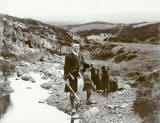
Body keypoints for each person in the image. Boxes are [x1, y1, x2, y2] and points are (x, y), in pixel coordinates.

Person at [64, 42, 96, 114]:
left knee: (90, 85)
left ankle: (88, 100)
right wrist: (66, 79)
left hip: (81, 74)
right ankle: (73, 107)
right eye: (75, 46)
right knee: (73, 91)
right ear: (72, 47)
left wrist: (89, 65)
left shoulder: (80, 55)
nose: (77, 48)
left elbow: (84, 64)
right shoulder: (68, 56)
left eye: (78, 46)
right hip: (72, 76)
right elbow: (66, 68)